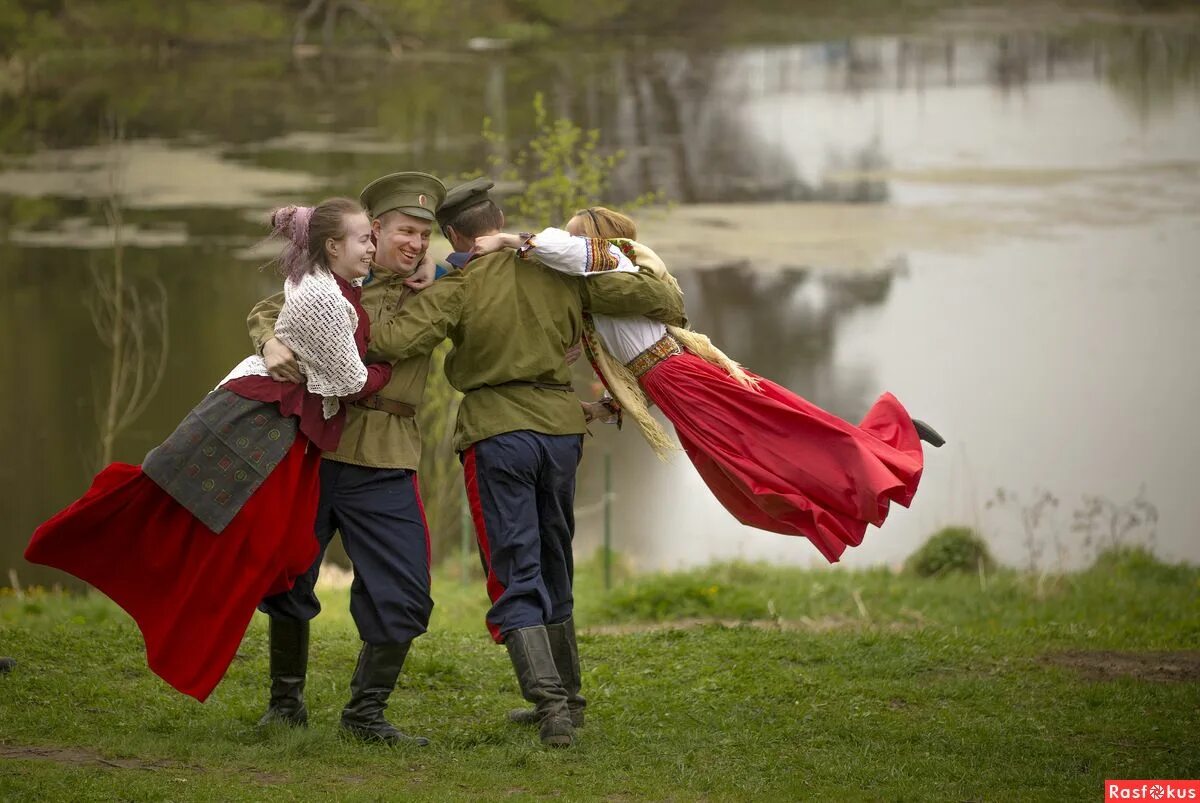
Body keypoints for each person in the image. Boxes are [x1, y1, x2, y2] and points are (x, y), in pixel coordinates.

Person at [24, 197, 393, 702]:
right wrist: (388, 373)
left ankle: (232, 663)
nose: (372, 246)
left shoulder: (333, 282)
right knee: (237, 535)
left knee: (278, 547)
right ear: (332, 245)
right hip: (261, 421)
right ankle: (170, 611)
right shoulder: (324, 298)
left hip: (286, 424)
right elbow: (350, 380)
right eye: (363, 239)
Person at [366, 179, 687, 748]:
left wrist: (391, 282)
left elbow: (389, 343)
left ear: (452, 236)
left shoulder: (459, 284)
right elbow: (660, 299)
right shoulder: (557, 269)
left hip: (498, 433)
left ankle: (552, 707)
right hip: (562, 432)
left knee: (515, 567)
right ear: (502, 218)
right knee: (553, 558)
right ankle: (570, 698)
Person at [472, 206, 944, 565]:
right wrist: (604, 410)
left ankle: (886, 444)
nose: (566, 239)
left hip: (681, 376)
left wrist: (505, 242)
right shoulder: (595, 293)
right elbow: (619, 367)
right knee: (757, 456)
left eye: (577, 233)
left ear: (597, 239)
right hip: (672, 383)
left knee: (770, 441)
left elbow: (565, 251)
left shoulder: (612, 259)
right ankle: (864, 464)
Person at [246, 172, 445, 746]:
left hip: (384, 455)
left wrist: (450, 265)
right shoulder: (330, 277)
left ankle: (365, 713)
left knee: (405, 588)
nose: (416, 243)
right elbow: (269, 308)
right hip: (310, 450)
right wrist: (271, 342)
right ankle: (285, 705)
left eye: (425, 234)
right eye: (406, 231)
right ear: (374, 230)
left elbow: (487, 277)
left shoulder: (434, 286)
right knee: (287, 573)